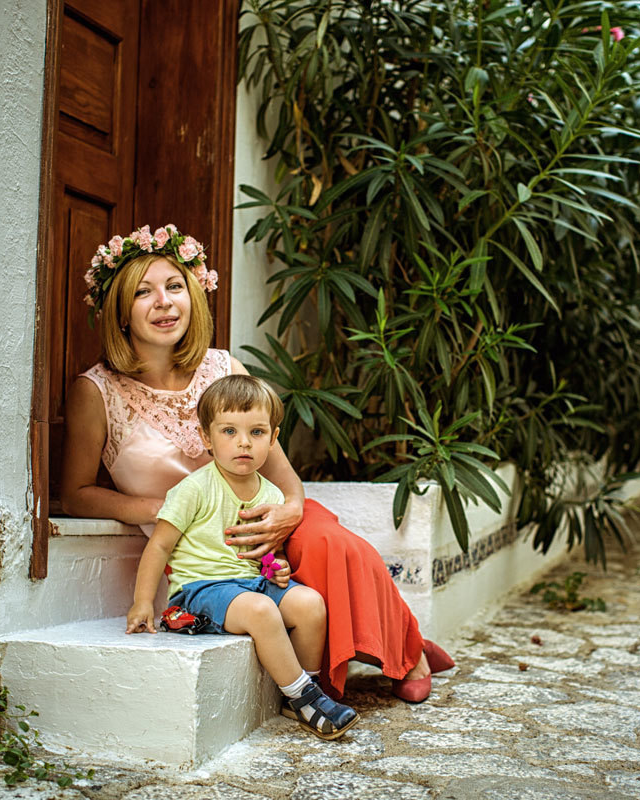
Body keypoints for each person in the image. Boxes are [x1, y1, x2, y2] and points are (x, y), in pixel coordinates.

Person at [62, 224, 454, 704]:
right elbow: (74, 493)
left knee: (331, 543)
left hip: (262, 517)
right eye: (143, 292)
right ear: (120, 312)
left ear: (194, 296)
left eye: (175, 286)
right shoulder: (95, 391)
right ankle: (385, 653)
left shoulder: (224, 368)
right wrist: (162, 508)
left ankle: (407, 652)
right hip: (205, 543)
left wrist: (291, 509)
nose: (163, 302)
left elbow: (284, 476)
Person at [125, 374, 358, 740]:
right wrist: (141, 602)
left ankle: (303, 692)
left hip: (252, 584)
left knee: (311, 604)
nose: (243, 443)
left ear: (273, 438)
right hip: (201, 591)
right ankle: (306, 698)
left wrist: (278, 569)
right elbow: (158, 545)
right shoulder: (194, 489)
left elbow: (269, 557)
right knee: (262, 610)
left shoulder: (273, 495)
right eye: (229, 431)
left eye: (257, 432)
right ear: (206, 438)